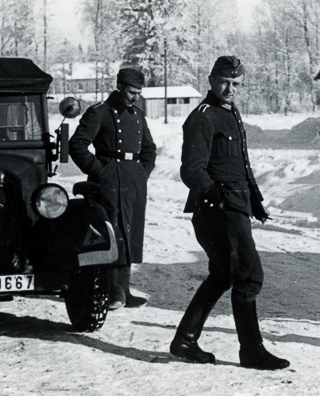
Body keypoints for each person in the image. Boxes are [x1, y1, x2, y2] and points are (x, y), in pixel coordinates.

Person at [170, 56, 290, 370]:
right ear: (211, 80)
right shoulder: (203, 117)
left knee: (224, 274)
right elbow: (192, 172)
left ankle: (184, 340)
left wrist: (254, 200)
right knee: (249, 276)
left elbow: (240, 166)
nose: (230, 89)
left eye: (237, 84)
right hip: (218, 212)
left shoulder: (229, 113)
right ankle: (251, 351)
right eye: (225, 82)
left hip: (234, 206)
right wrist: (221, 201)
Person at [69, 67, 157, 310]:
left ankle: (124, 291)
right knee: (113, 234)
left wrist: (143, 172)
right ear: (119, 87)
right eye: (131, 92)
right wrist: (101, 171)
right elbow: (77, 145)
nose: (135, 97)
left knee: (131, 235)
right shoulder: (100, 113)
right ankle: (112, 292)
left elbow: (149, 148)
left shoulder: (138, 115)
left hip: (133, 182)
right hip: (109, 181)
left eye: (138, 93)